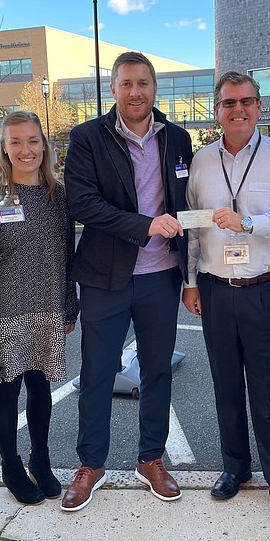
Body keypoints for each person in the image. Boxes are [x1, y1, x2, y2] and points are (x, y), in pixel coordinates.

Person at [61, 51, 193, 511]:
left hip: (162, 277)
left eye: (143, 83)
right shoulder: (87, 138)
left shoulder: (178, 138)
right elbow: (82, 203)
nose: (135, 92)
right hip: (105, 278)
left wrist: (190, 272)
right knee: (98, 372)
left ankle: (151, 458)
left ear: (154, 88)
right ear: (114, 89)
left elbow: (185, 199)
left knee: (157, 371)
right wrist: (145, 226)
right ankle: (90, 465)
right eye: (126, 84)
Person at [182, 71, 270, 526]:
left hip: (264, 289)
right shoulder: (201, 162)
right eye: (228, 103)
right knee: (225, 388)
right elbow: (195, 226)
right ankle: (235, 468)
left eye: (246, 101)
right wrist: (191, 281)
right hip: (215, 291)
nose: (237, 109)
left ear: (259, 107)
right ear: (216, 110)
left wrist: (251, 223)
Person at [0, 111, 78, 505]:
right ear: (4, 148)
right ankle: (11, 466)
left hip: (46, 308)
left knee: (41, 388)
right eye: (16, 142)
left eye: (32, 141)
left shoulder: (58, 195)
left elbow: (67, 254)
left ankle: (41, 460)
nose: (25, 150)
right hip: (3, 314)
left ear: (43, 145)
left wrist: (69, 308)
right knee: (7, 392)